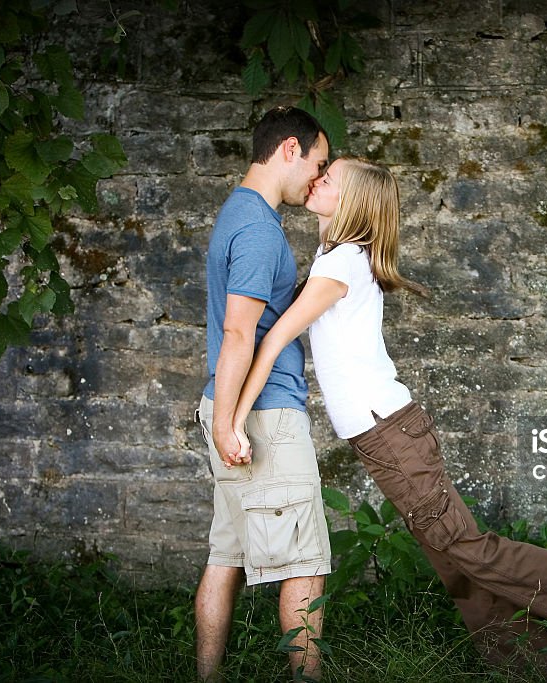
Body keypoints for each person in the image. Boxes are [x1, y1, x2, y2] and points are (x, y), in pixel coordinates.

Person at [228, 157, 547, 678]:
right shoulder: (336, 256)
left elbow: (275, 338)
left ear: (353, 203)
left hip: (390, 435)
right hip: (386, 436)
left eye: (331, 178)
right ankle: (539, 671)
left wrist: (232, 418)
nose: (318, 180)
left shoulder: (340, 263)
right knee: (457, 564)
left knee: (472, 552)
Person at [194, 106, 331, 682]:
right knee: (305, 563)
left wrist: (222, 419)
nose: (316, 180)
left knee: (225, 559)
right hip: (264, 416)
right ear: (290, 149)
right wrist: (230, 425)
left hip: (236, 410)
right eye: (317, 164)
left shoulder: (240, 213)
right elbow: (237, 331)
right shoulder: (256, 229)